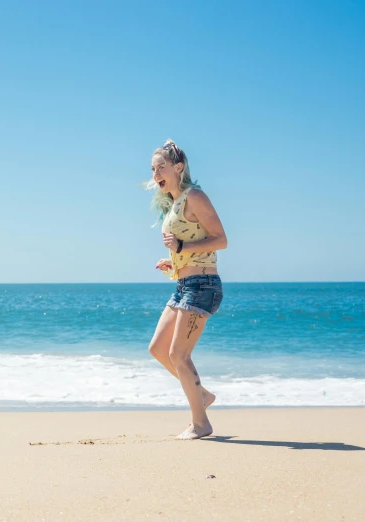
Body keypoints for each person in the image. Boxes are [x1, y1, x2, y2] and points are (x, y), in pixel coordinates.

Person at [146, 140, 228, 440]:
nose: (156, 174)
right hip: (184, 284)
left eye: (161, 167)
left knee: (179, 354)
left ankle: (201, 423)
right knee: (158, 349)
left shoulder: (195, 196)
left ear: (178, 167)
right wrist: (174, 262)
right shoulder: (173, 205)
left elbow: (221, 239)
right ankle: (201, 396)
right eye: (153, 169)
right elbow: (187, 249)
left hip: (203, 285)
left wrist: (181, 246)